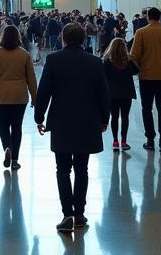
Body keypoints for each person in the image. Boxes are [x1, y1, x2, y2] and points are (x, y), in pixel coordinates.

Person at [34, 22, 109, 232]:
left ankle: (67, 214)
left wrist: (39, 117)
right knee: (82, 169)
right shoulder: (94, 62)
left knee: (63, 169)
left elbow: (44, 91)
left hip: (61, 122)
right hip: (88, 121)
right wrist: (104, 119)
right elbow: (103, 93)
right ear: (84, 39)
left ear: (63, 38)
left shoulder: (54, 59)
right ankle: (79, 214)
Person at [0, 24, 37, 170]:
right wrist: (34, 97)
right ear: (18, 37)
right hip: (20, 96)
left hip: (1, 95)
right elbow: (31, 78)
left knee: (3, 124)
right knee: (17, 127)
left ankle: (7, 147)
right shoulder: (24, 54)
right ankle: (15, 160)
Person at [129, 7, 161, 152]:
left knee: (147, 108)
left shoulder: (141, 33)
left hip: (146, 76)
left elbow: (134, 55)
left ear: (148, 17)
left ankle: (150, 139)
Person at [101, 38, 137, 152]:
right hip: (126, 93)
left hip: (112, 94)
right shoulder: (128, 61)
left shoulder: (107, 62)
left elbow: (103, 75)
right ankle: (124, 141)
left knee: (114, 117)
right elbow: (136, 71)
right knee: (125, 117)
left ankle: (115, 141)